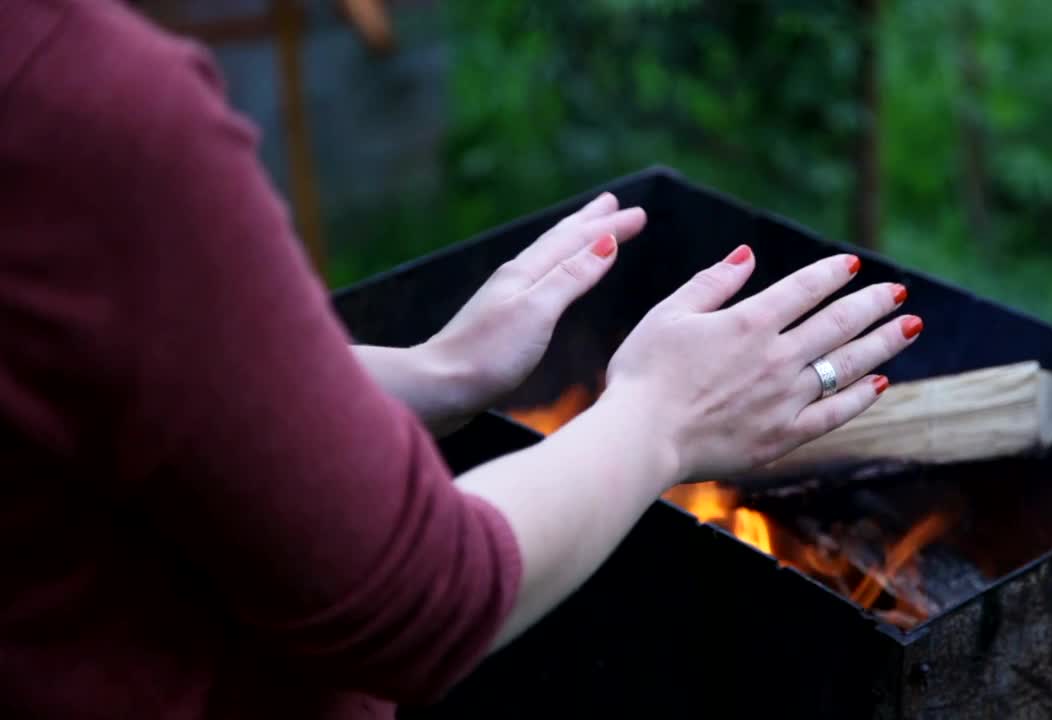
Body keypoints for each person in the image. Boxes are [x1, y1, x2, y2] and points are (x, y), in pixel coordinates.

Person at [0, 1, 922, 718]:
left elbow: (111, 390)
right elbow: (415, 596)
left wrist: (437, 372)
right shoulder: (90, 115)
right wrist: (660, 419)